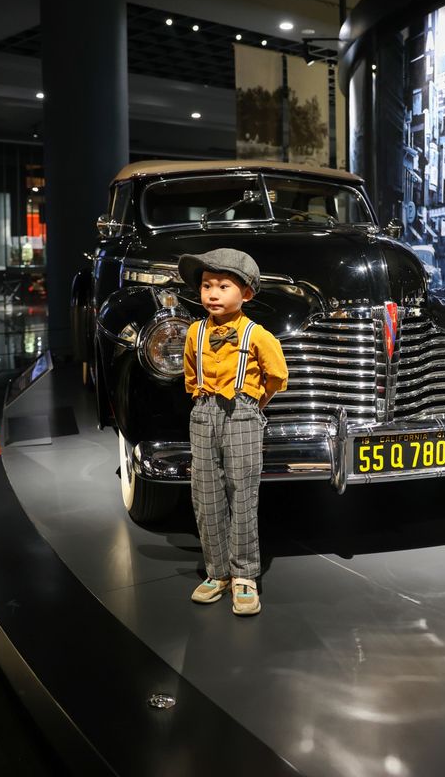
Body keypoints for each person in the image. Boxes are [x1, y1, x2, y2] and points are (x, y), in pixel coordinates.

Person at [178, 248, 288, 617]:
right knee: (205, 491)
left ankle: (244, 574)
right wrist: (200, 399)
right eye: (207, 285)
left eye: (224, 286)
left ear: (246, 294)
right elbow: (191, 375)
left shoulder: (258, 335)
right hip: (204, 412)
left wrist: (254, 403)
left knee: (242, 491)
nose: (212, 293)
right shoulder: (195, 332)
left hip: (242, 413)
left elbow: (277, 377)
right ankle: (217, 571)